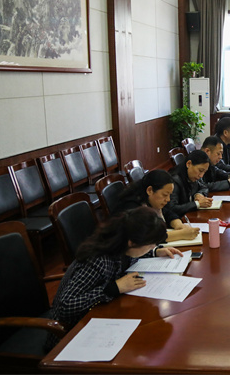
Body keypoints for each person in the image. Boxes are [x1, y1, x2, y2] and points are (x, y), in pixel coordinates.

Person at [47, 207, 182, 350]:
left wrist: (155, 252)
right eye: (150, 245)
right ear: (132, 242)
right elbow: (65, 306)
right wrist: (114, 288)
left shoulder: (121, 243)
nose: (151, 247)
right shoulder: (97, 260)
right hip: (71, 332)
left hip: (101, 314)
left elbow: (133, 256)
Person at [114, 169, 200, 242]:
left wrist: (178, 224)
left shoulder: (149, 199)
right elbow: (145, 237)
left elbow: (167, 212)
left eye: (169, 195)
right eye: (165, 195)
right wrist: (180, 234)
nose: (168, 199)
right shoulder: (132, 207)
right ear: (150, 190)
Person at [167, 150, 214, 219]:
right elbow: (171, 208)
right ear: (189, 164)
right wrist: (197, 204)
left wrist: (199, 194)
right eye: (200, 170)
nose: (201, 175)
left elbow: (204, 187)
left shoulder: (191, 175)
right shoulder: (174, 180)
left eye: (204, 172)